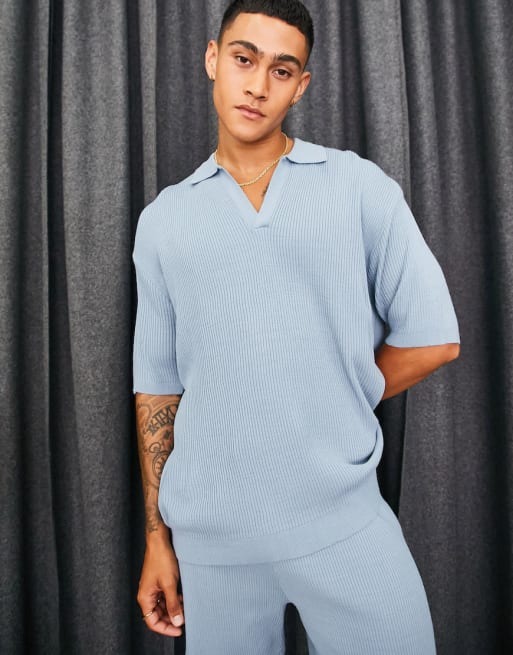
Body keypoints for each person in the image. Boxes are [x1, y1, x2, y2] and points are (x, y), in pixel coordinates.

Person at [132, 1, 460, 653]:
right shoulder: (164, 219)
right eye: (243, 59)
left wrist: (333, 389)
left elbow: (434, 339)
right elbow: (158, 391)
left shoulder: (357, 188)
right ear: (212, 59)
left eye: (281, 70)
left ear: (301, 85)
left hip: (342, 521)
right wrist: (157, 541)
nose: (257, 85)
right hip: (212, 539)